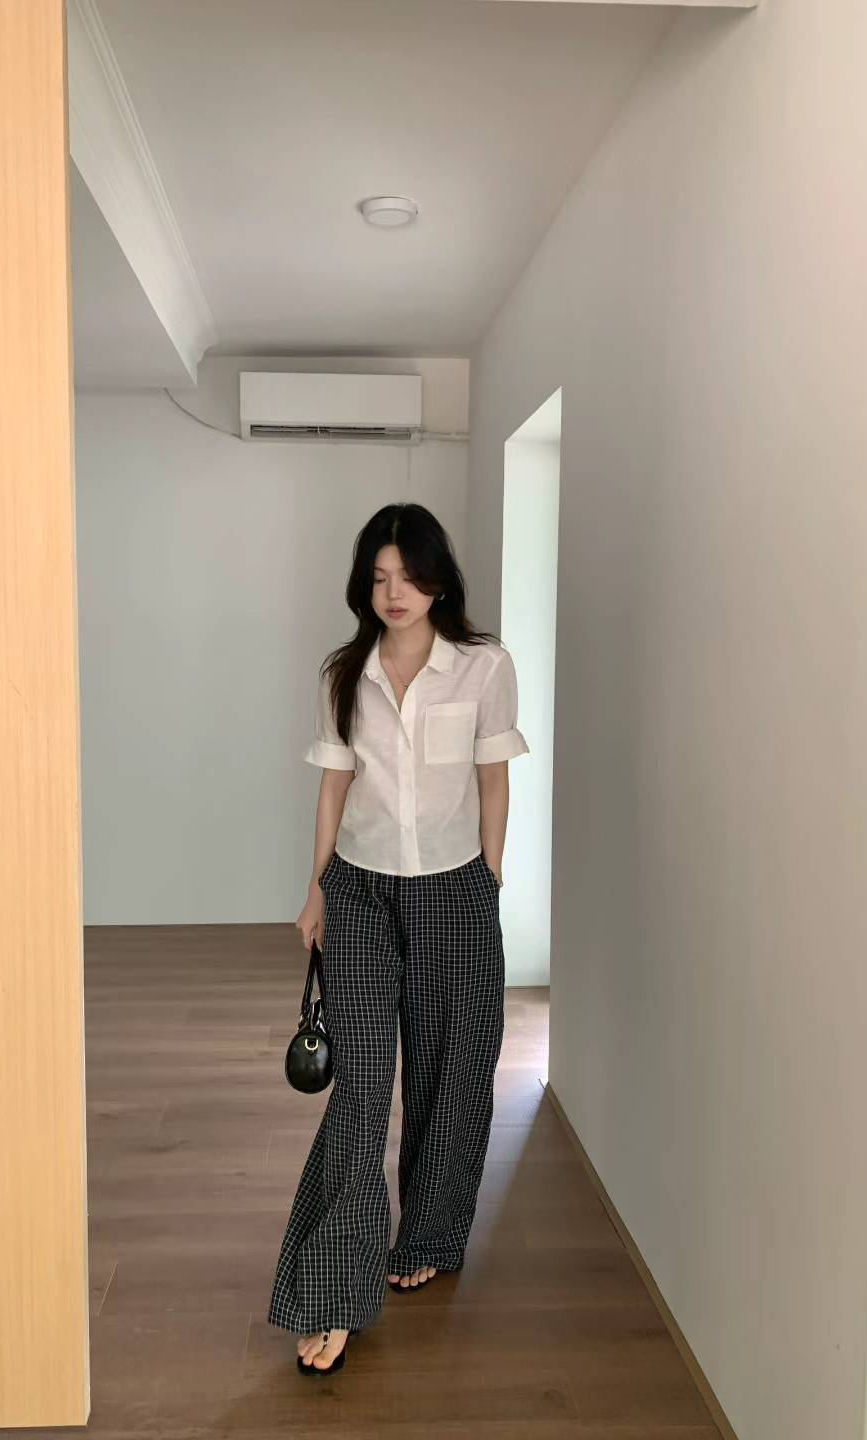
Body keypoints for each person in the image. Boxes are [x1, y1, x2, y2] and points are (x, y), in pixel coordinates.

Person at [268, 501, 530, 1376]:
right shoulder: (345, 673)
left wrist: (490, 875)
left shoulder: (484, 667)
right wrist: (316, 890)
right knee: (361, 1087)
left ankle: (428, 1236)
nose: (394, 593)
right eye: (380, 578)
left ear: (438, 581)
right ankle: (335, 1291)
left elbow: (494, 779)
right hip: (362, 892)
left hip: (455, 888)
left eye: (409, 576)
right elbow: (334, 788)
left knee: (452, 1070)